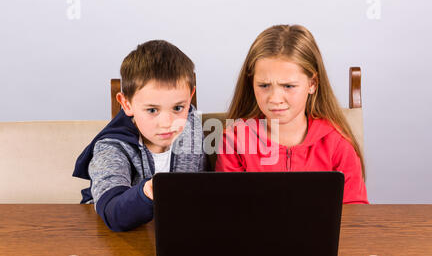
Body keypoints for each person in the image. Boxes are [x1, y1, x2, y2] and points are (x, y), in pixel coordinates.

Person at [215, 24, 369, 204]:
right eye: (264, 86)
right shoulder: (235, 141)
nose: (275, 98)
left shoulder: (337, 144)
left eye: (288, 86)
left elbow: (354, 212)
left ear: (312, 84)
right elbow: (227, 210)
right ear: (251, 82)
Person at [73, 40, 208, 231]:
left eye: (178, 107)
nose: (167, 122)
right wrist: (147, 192)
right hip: (116, 239)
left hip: (174, 230)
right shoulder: (112, 147)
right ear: (126, 104)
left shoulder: (190, 122)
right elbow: (113, 213)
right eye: (152, 110)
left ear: (190, 97)